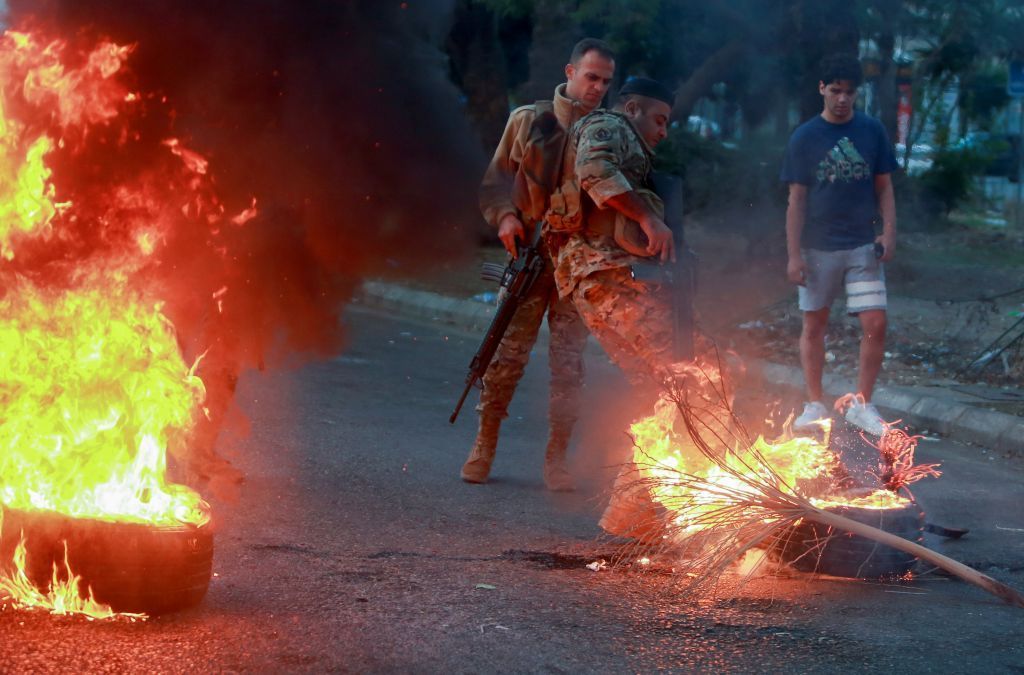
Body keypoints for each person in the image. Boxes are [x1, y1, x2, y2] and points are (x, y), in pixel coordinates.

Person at [462, 38, 616, 491]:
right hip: (530, 257)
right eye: (591, 77)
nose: (598, 88)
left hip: (579, 266)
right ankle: (485, 443)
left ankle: (557, 459)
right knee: (506, 357)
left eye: (606, 81)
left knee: (569, 367)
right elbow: (494, 183)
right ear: (570, 72)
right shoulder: (529, 121)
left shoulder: (609, 132)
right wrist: (506, 217)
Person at [546, 76, 679, 541]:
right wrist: (648, 218)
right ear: (633, 107)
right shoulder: (609, 124)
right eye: (659, 119)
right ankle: (637, 512)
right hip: (603, 275)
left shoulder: (636, 144)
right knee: (686, 376)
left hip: (601, 280)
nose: (663, 131)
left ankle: (633, 514)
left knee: (656, 390)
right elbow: (594, 169)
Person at [781, 53, 898, 437]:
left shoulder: (871, 131)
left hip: (862, 244)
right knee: (815, 323)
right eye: (836, 91)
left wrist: (889, 232)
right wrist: (794, 254)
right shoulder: (805, 137)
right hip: (817, 248)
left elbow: (884, 186)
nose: (843, 99)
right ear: (822, 90)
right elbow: (796, 199)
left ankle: (863, 403)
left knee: (875, 323)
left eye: (849, 92)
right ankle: (814, 403)